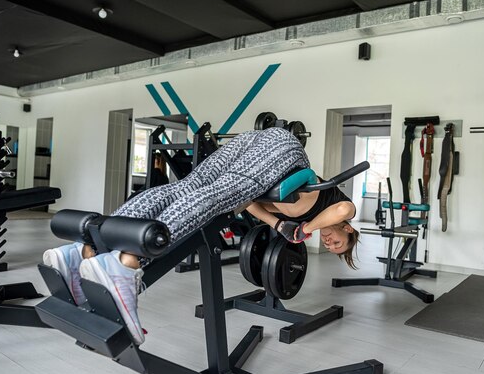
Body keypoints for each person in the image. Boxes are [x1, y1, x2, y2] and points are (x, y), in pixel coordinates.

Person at [43, 127, 360, 344]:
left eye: (331, 248)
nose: (330, 244)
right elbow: (344, 212)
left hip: (255, 144)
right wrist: (304, 230)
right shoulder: (336, 208)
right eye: (338, 242)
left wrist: (278, 226)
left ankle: (85, 247)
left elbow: (249, 203)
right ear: (347, 231)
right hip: (284, 151)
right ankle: (125, 264)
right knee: (218, 196)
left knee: (187, 189)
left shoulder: (301, 216)